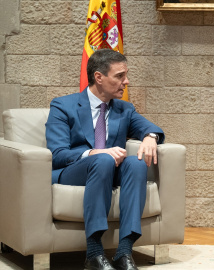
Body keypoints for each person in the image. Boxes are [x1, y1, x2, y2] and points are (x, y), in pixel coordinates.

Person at [46, 49, 165, 270]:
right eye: (120, 76)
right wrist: (95, 153)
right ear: (99, 77)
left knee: (137, 162)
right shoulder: (63, 106)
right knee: (103, 160)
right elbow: (57, 154)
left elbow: (149, 127)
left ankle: (124, 252)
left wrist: (150, 137)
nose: (126, 82)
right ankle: (94, 252)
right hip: (74, 171)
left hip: (110, 169)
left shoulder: (124, 109)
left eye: (126, 75)